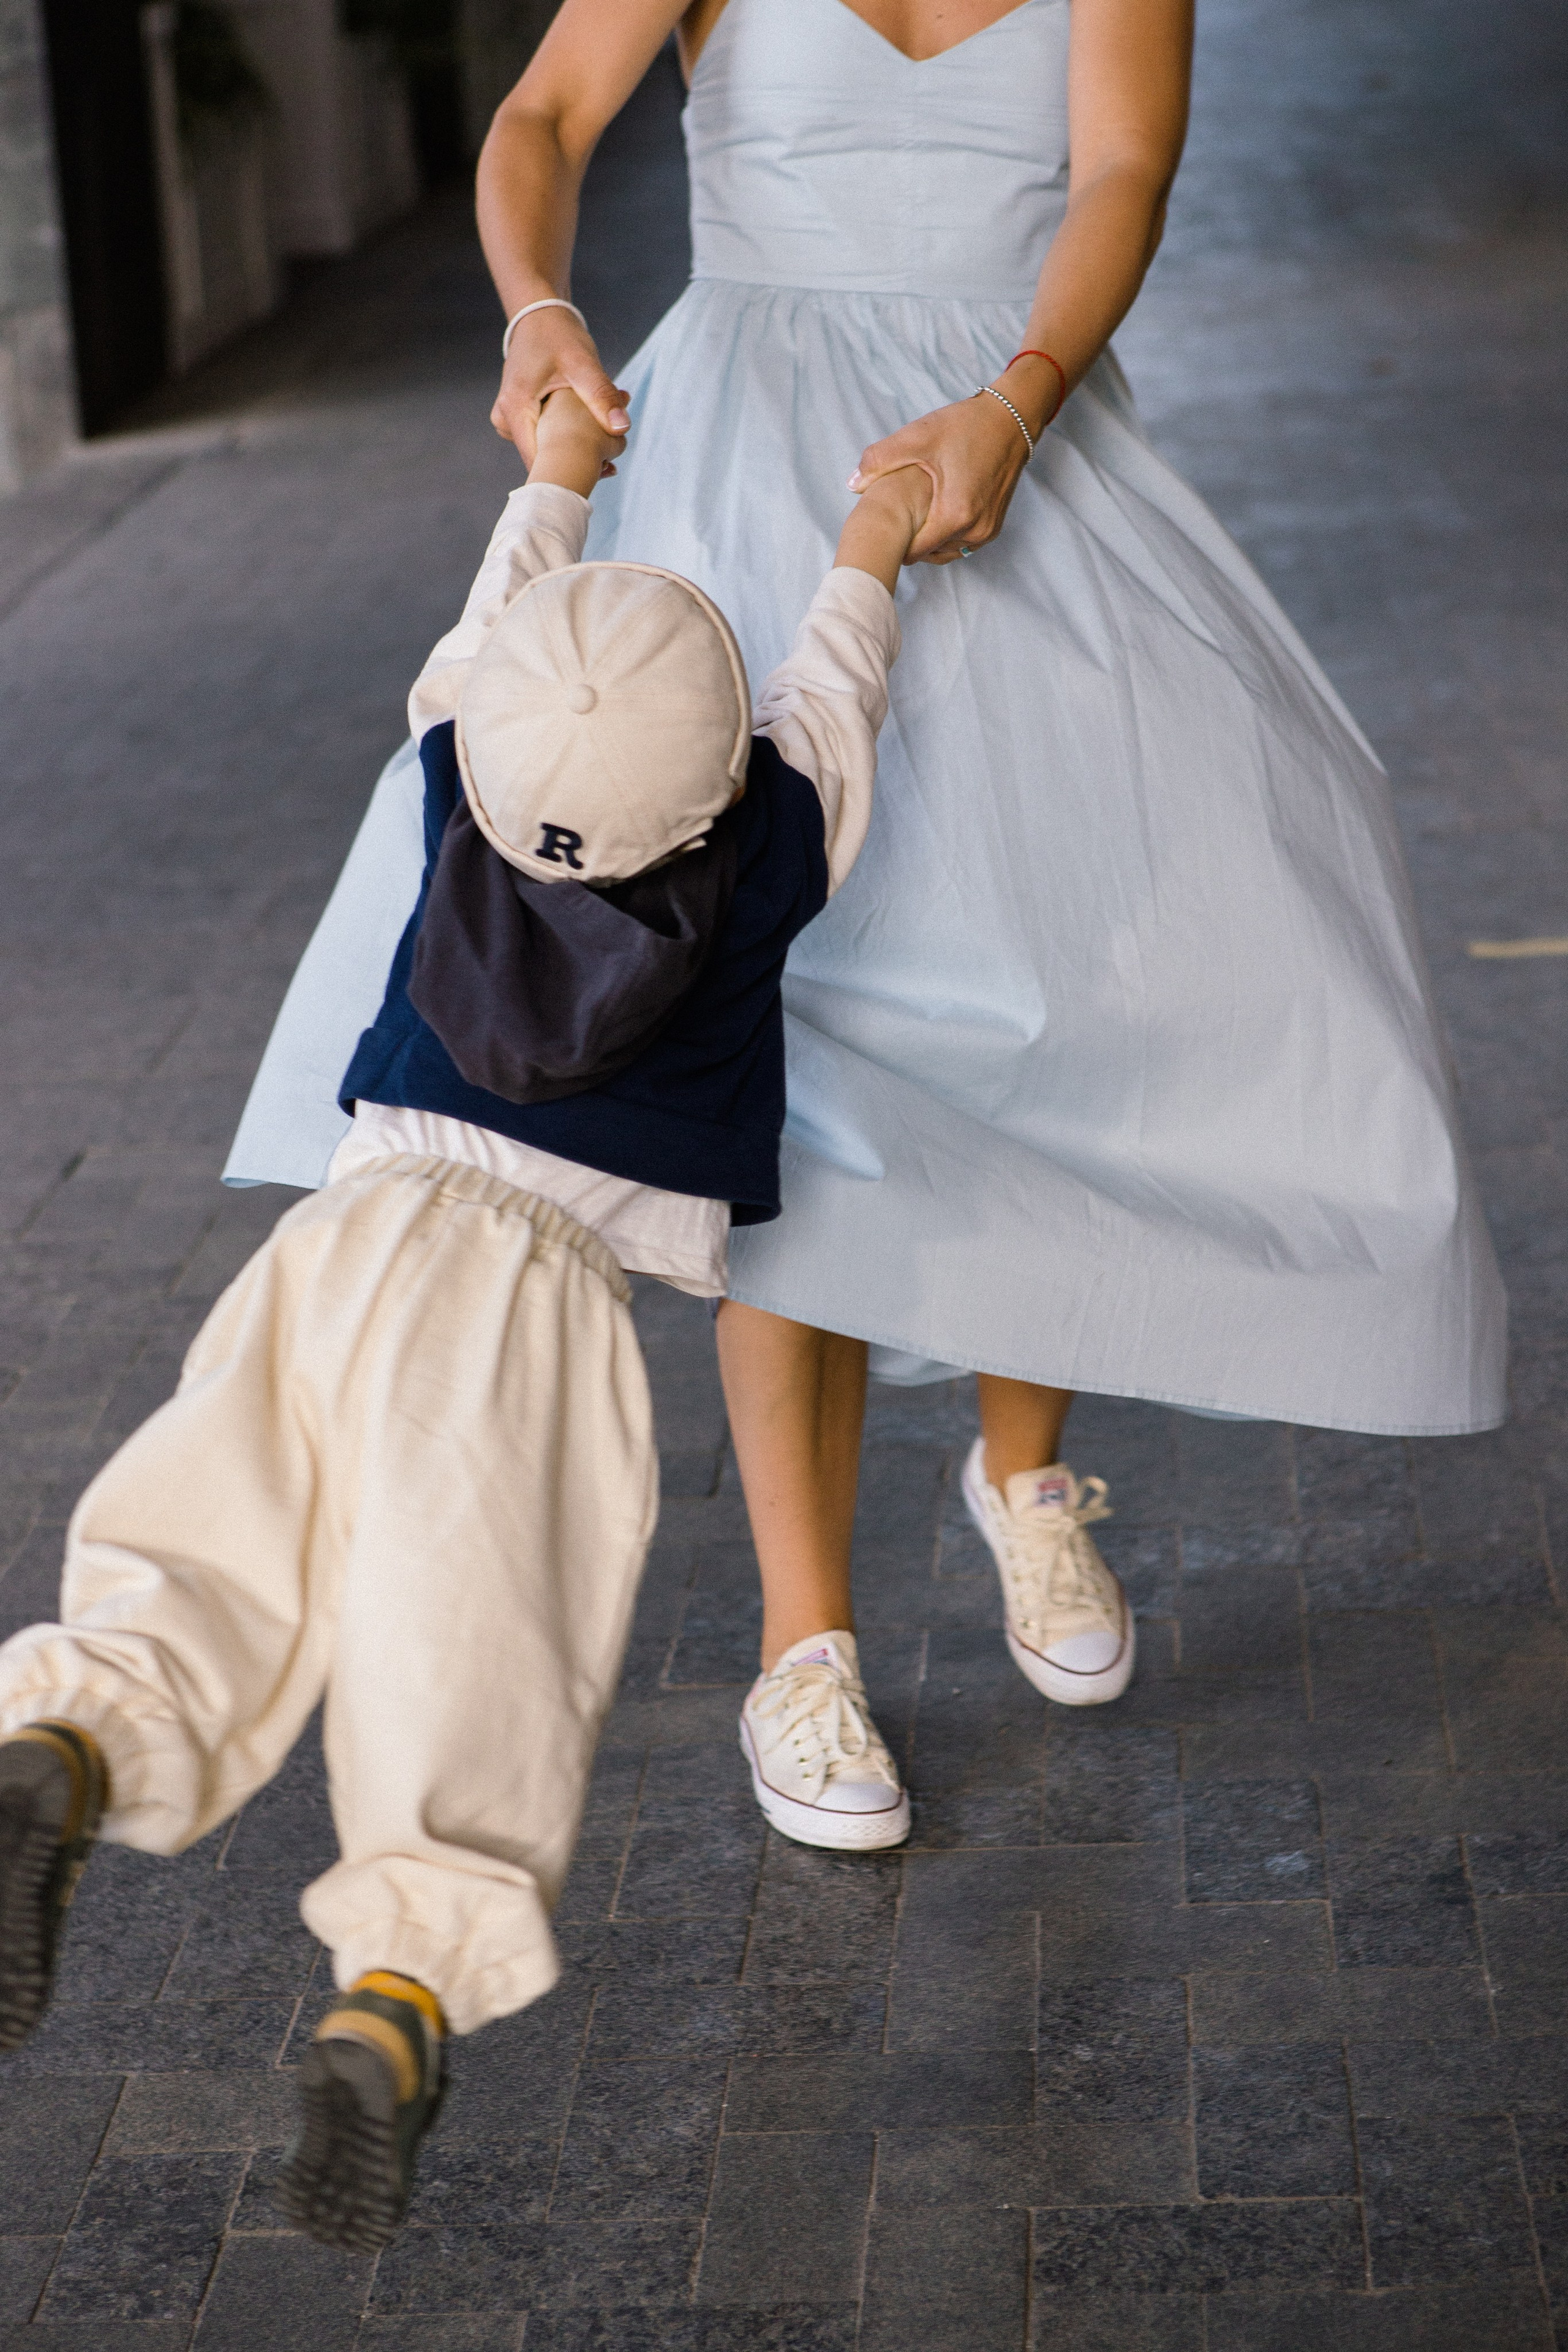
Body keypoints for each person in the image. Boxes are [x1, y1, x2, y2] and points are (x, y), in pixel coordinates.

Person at [225, 0, 1507, 1842]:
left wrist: (1016, 403)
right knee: (792, 1041)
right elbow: (545, 116)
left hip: (1005, 460)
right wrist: (537, 308)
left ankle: (1024, 1475)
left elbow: (1126, 172)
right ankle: (803, 1648)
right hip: (741, 478)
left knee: (1063, 984)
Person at [0, 388, 932, 2250]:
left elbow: (497, 615)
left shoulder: (453, 778)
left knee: (225, 1517)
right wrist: (874, 538)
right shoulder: (771, 847)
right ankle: (399, 1989)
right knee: (475, 1635)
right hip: (537, 1308)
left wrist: (562, 472)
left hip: (344, 1243)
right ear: (722, 773)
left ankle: (75, 1731)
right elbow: (840, 686)